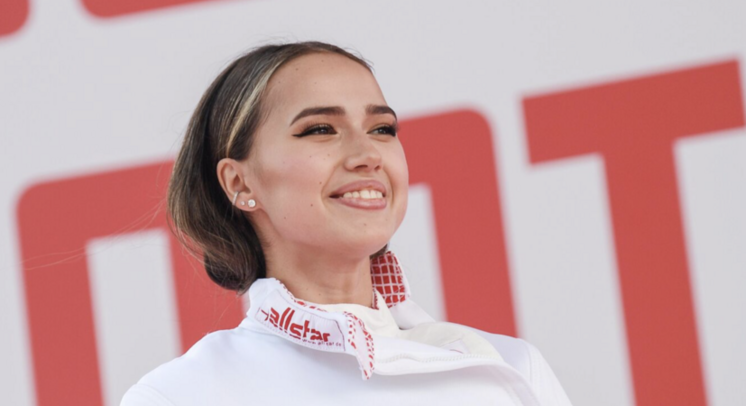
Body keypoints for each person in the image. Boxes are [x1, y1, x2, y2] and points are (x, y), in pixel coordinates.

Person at [121, 41, 573, 406]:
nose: (367, 155)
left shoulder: (512, 367)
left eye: (382, 129)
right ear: (239, 182)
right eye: (321, 129)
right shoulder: (180, 395)